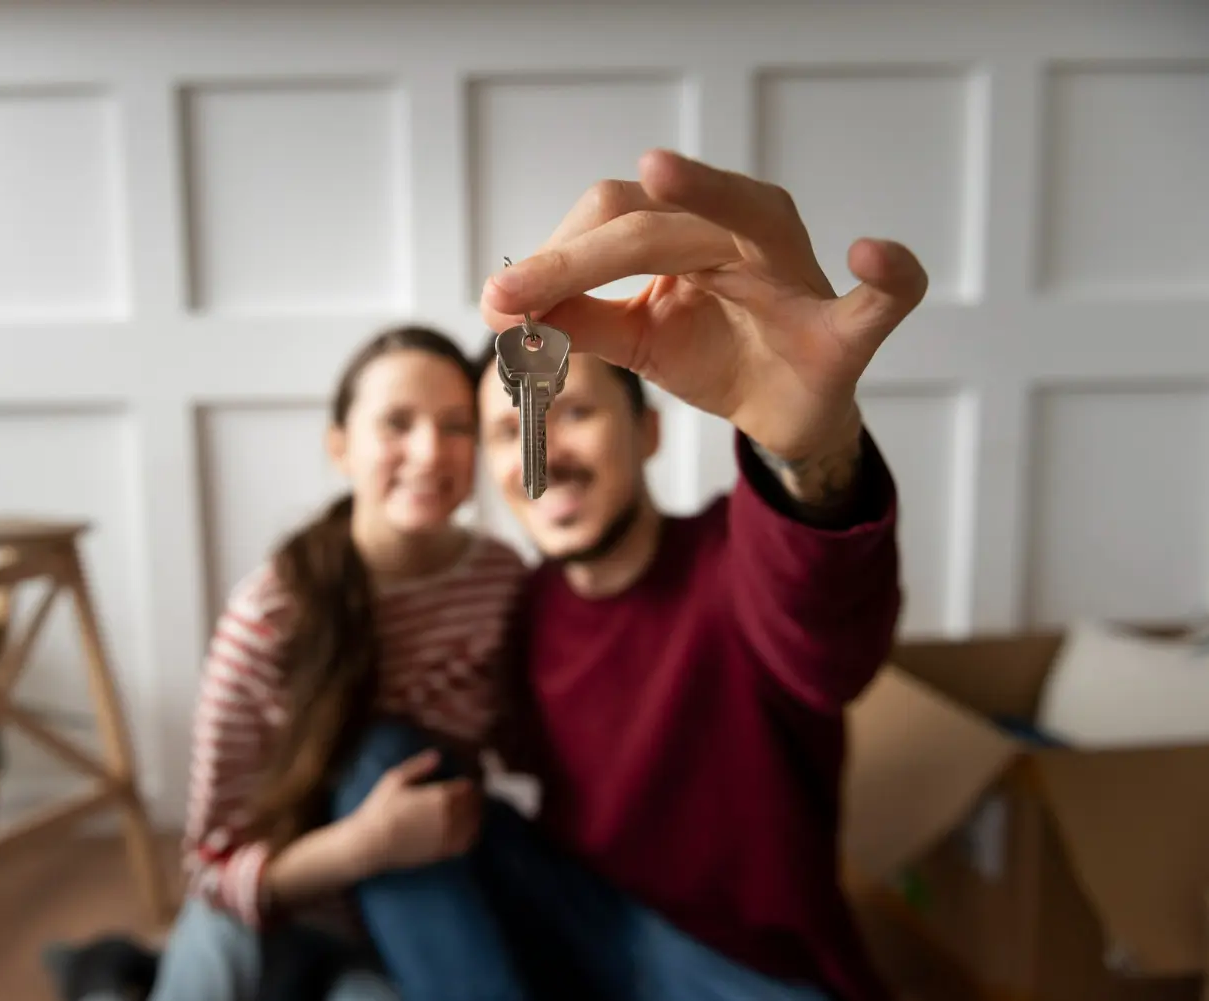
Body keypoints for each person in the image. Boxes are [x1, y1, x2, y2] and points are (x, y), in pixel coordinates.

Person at [331, 148, 928, 1001]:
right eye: (513, 431)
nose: (547, 451)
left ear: (646, 432)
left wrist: (809, 450)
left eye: (573, 411)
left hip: (738, 971)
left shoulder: (736, 555)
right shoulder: (518, 605)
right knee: (382, 767)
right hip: (587, 924)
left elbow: (827, 636)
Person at [46, 324, 533, 1001]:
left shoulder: (502, 582)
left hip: (399, 921)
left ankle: (119, 969)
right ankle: (109, 974)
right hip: (266, 912)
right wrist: (366, 844)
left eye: (456, 426)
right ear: (340, 447)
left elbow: (527, 746)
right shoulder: (272, 615)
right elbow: (210, 869)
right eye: (396, 422)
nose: (429, 452)